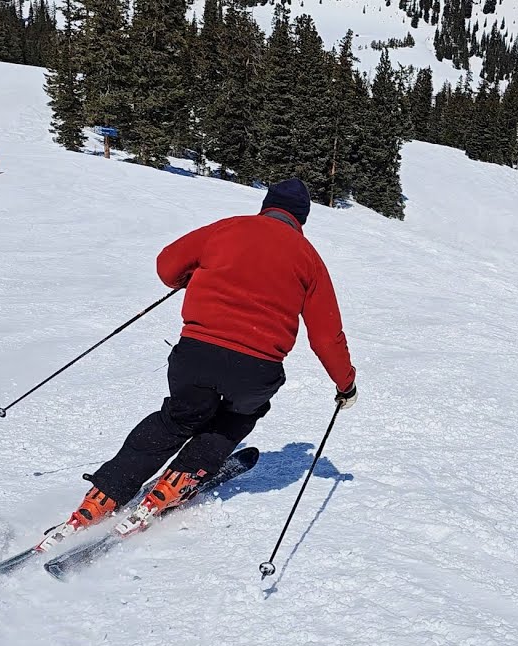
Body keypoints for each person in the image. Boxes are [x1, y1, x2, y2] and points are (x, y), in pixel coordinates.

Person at [54, 178, 357, 536]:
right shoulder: (309, 259)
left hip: (197, 353)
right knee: (234, 418)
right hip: (257, 368)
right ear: (302, 218)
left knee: (177, 419)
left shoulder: (227, 229)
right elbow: (326, 336)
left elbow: (167, 266)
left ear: (267, 205)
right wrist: (345, 384)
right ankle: (178, 481)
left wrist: (190, 276)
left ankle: (104, 494)